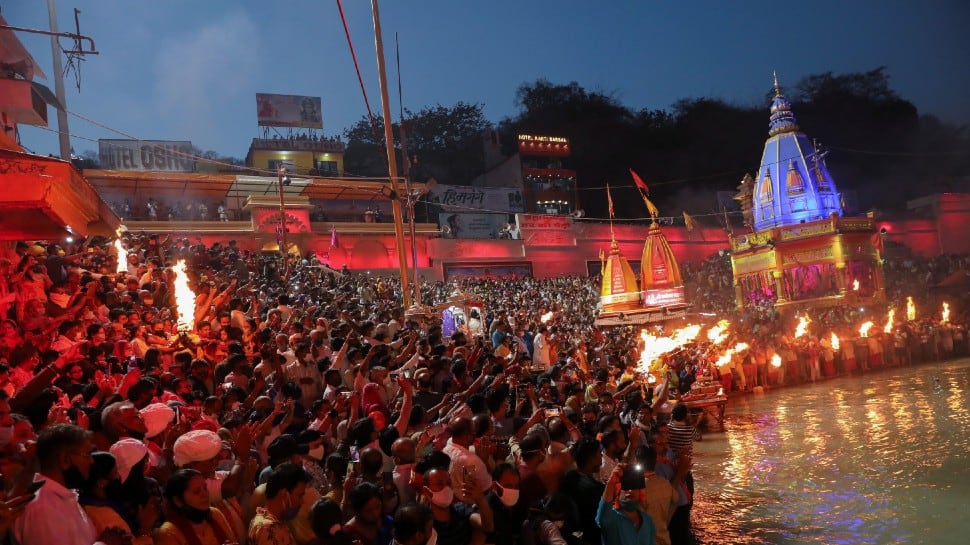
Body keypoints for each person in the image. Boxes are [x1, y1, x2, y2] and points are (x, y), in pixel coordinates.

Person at [12, 423, 128, 545]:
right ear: (65, 460)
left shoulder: (62, 497)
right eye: (87, 454)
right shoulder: (43, 508)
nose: (92, 461)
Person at [155, 468, 238, 545]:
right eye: (196, 492)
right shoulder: (169, 532)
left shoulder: (215, 514)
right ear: (178, 501)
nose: (205, 494)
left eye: (205, 488)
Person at [249, 462, 312, 545]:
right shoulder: (266, 529)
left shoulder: (275, 522)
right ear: (284, 494)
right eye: (299, 496)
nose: (302, 502)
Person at [596, 464, 656, 545]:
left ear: (640, 492)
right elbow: (602, 519)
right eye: (626, 486)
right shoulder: (612, 518)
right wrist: (611, 483)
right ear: (618, 491)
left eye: (634, 486)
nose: (630, 490)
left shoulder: (648, 521)